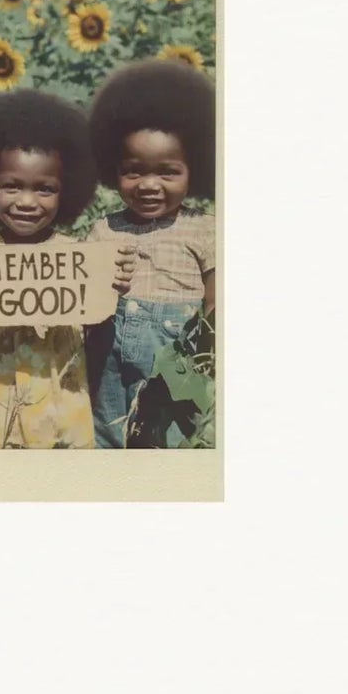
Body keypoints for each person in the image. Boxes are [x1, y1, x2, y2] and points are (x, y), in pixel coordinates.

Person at [0, 91, 127, 449]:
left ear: (67, 192)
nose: (27, 202)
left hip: (60, 401)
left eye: (45, 189)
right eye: (12, 186)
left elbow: (94, 320)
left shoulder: (78, 255)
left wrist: (112, 284)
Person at [85, 58, 217, 448]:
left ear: (196, 171)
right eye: (133, 171)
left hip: (177, 363)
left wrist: (207, 355)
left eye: (167, 172)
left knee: (171, 441)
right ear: (114, 170)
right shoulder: (103, 229)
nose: (148, 184)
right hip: (109, 363)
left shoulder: (205, 228)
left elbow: (216, 298)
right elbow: (82, 297)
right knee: (107, 434)